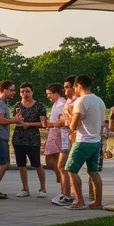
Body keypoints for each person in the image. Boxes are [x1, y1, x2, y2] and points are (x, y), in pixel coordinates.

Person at [65, 75, 106, 210]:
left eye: (74, 87)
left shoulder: (81, 101)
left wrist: (70, 114)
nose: (73, 89)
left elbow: (73, 126)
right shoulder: (99, 101)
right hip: (96, 141)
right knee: (93, 171)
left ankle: (79, 201)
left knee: (71, 169)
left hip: (83, 141)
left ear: (78, 85)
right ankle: (98, 201)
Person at [11, 82, 48, 198]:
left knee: (37, 164)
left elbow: (43, 124)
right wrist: (17, 121)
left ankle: (42, 188)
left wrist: (29, 124)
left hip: (33, 139)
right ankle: (25, 188)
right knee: (21, 164)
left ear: (32, 92)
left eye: (27, 91)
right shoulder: (17, 105)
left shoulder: (39, 106)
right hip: (19, 138)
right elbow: (15, 120)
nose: (25, 94)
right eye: (22, 92)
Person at [0, 80, 23, 199]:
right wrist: (15, 120)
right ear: (3, 90)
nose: (14, 93)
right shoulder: (0, 103)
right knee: (5, 164)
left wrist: (13, 119)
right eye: (11, 90)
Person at [51, 76, 78, 206]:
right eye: (64, 87)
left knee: (64, 166)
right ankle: (65, 193)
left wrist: (61, 123)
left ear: (75, 87)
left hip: (71, 137)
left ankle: (68, 195)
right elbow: (64, 119)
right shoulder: (68, 101)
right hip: (63, 136)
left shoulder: (77, 101)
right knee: (62, 166)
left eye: (68, 87)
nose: (65, 89)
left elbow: (72, 122)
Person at [43, 83, 67, 195]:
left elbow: (63, 121)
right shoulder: (56, 104)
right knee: (52, 160)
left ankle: (63, 181)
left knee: (55, 161)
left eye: (49, 94)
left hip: (58, 135)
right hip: (53, 134)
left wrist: (51, 124)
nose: (48, 96)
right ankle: (62, 182)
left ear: (56, 93)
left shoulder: (62, 104)